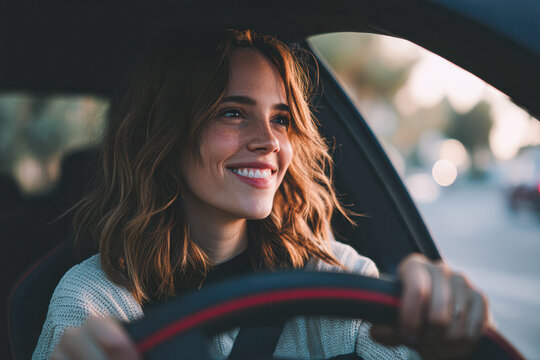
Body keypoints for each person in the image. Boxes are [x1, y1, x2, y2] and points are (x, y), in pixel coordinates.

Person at [33, 29, 488, 360]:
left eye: (281, 119)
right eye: (233, 113)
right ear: (166, 134)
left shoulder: (338, 277)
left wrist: (440, 339)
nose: (269, 141)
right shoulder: (95, 302)